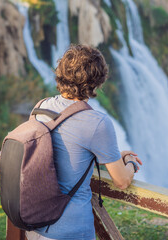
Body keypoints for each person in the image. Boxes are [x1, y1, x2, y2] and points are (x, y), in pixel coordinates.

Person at [25, 44, 142, 240]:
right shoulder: (97, 122)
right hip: (70, 230)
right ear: (97, 82)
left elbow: (60, 151)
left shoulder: (40, 107)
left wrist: (111, 156)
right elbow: (121, 181)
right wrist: (129, 162)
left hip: (34, 225)